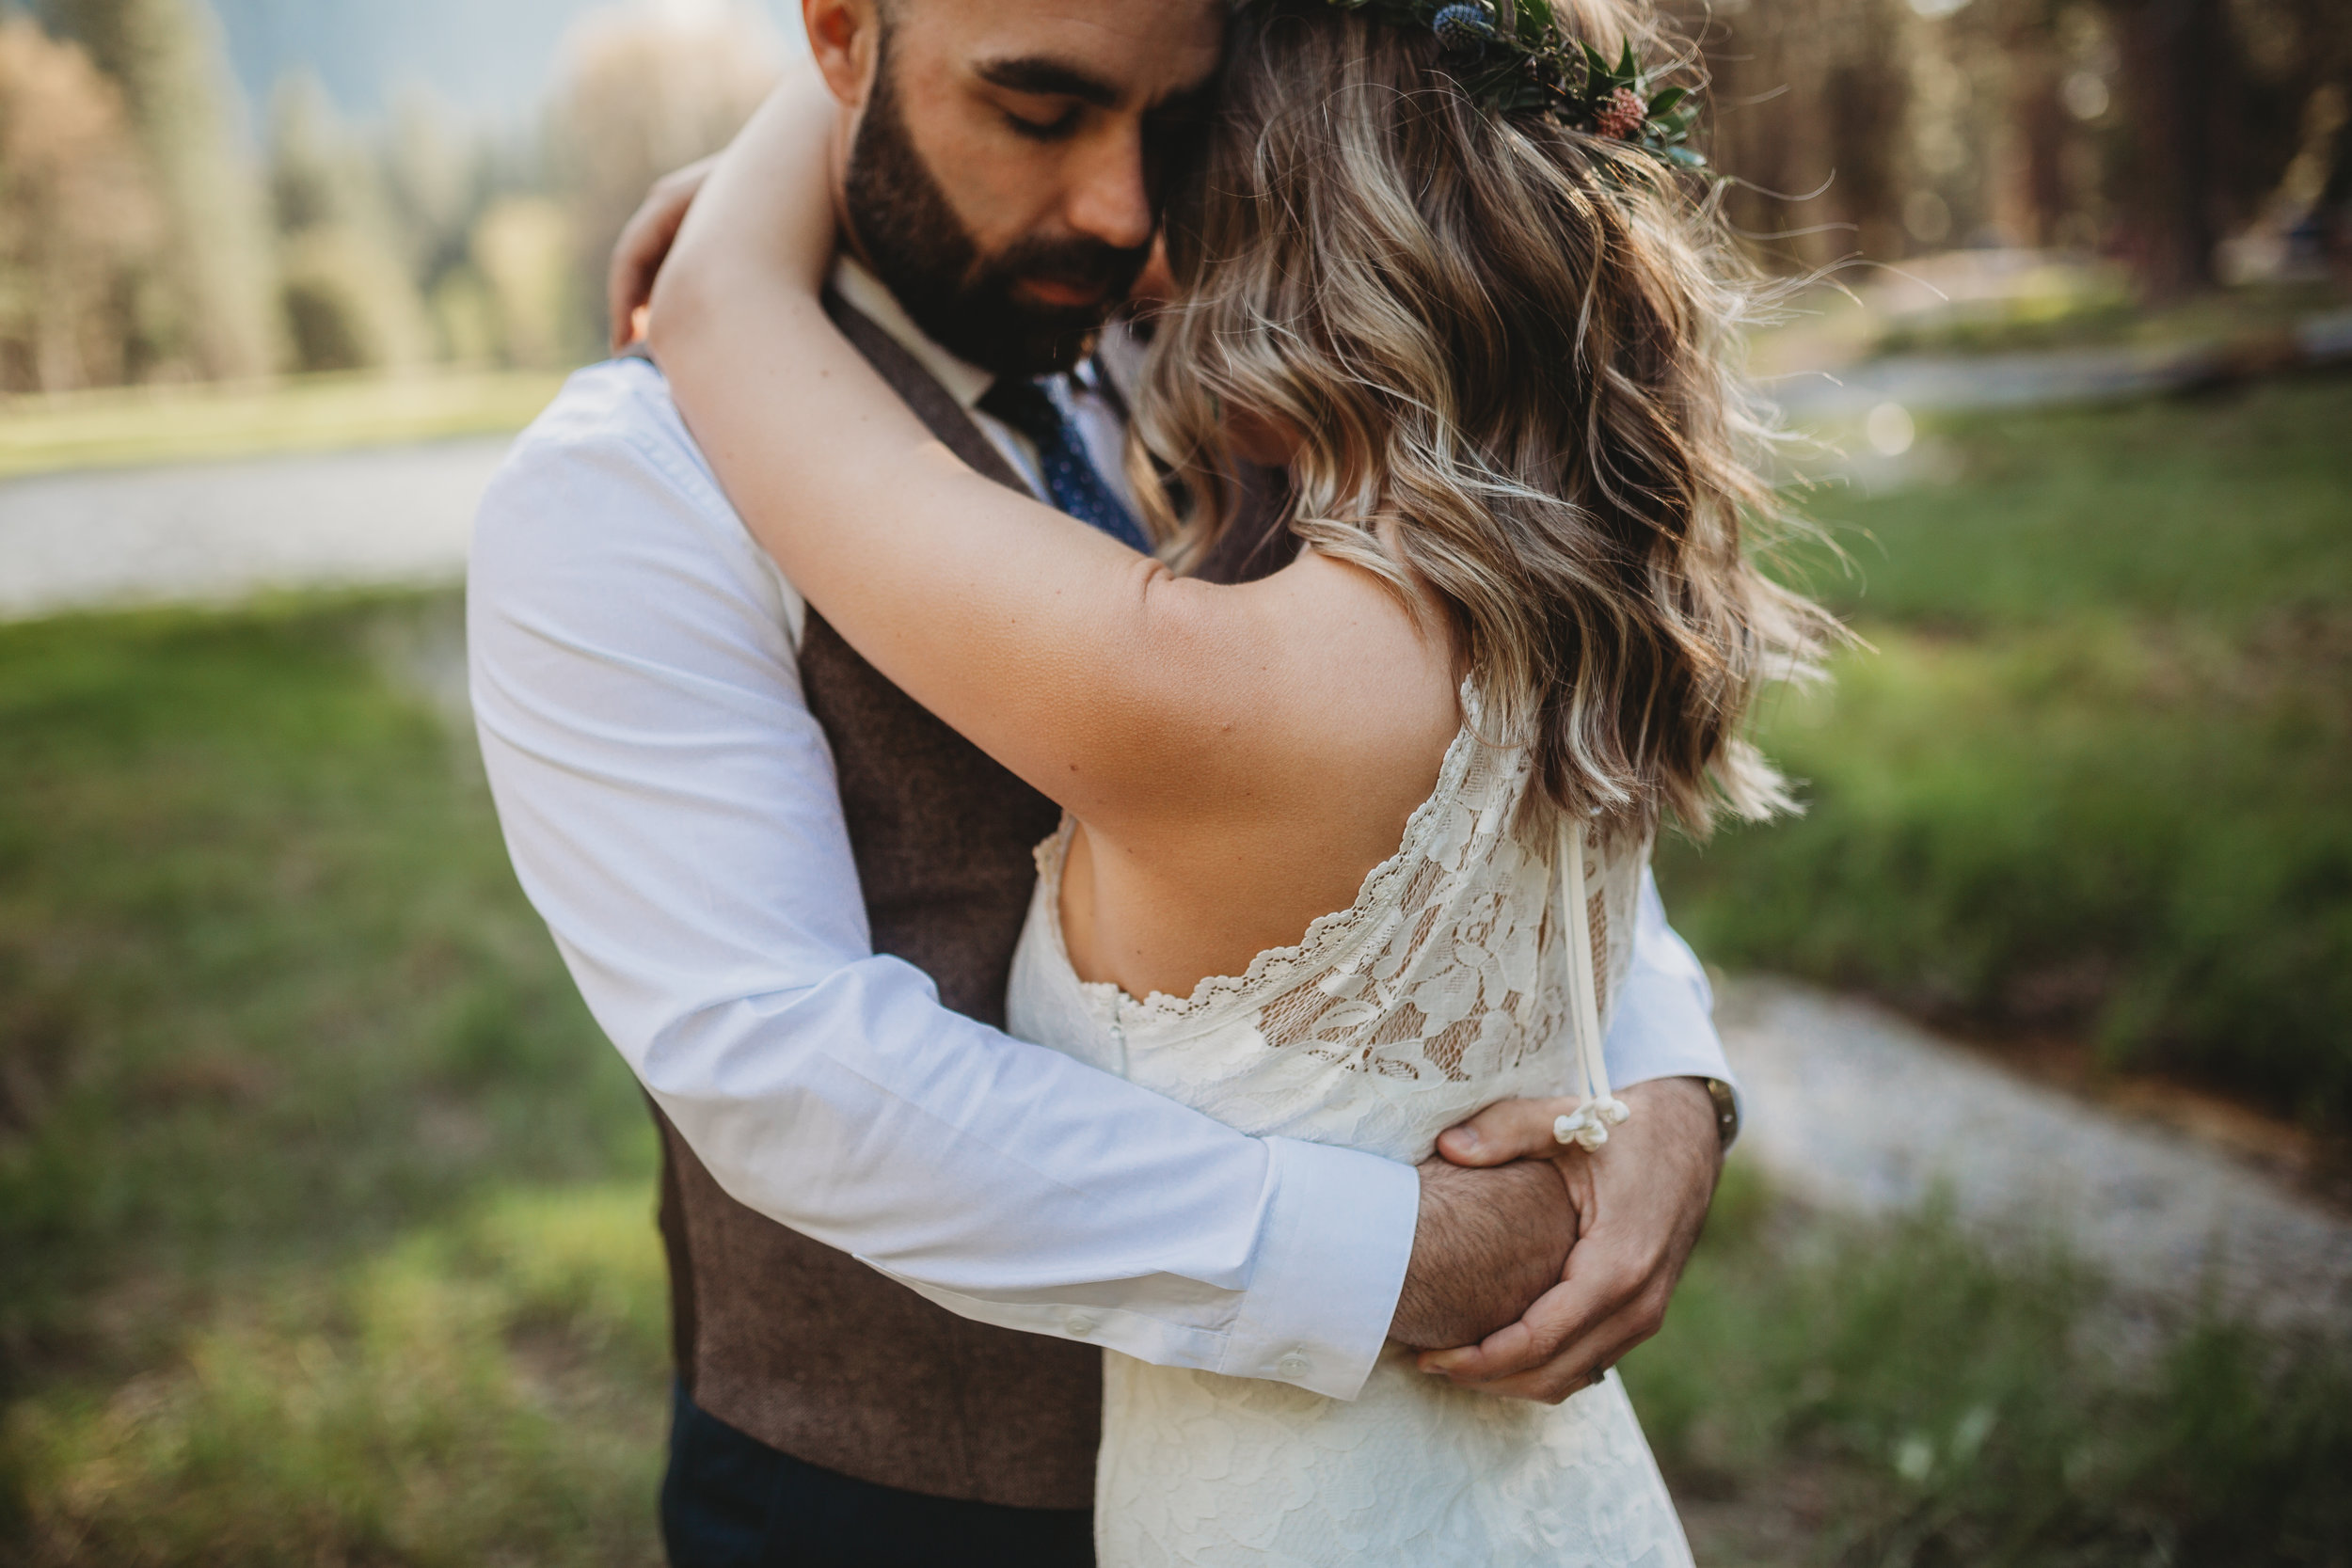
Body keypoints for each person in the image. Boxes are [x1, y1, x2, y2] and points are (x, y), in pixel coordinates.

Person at [471, 0, 1767, 1561]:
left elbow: (1494, 791)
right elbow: (780, 1064)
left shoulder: (1254, 360)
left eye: (1177, 125)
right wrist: (1393, 1256)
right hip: (899, 1503)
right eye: (1035, 111)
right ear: (837, 38)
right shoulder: (629, 480)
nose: (1121, 210)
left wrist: (1669, 1079)